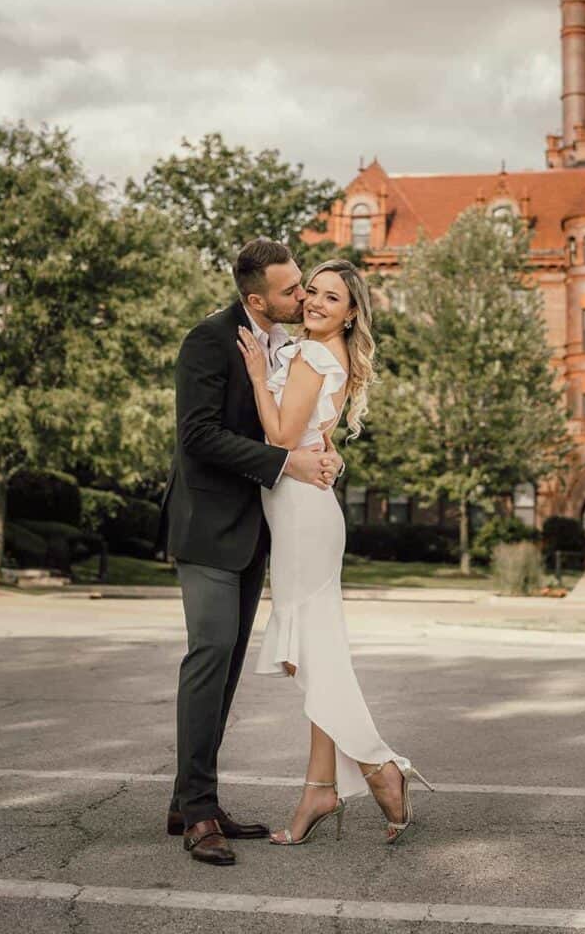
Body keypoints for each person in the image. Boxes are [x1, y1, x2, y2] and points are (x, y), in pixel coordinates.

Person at [160, 237, 344, 866]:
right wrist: (285, 462)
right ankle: (200, 814)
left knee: (228, 668)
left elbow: (291, 417)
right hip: (208, 524)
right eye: (292, 289)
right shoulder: (209, 340)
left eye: (304, 284)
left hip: (256, 529)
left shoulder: (285, 345)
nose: (303, 295)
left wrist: (321, 447)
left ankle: (191, 800)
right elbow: (199, 436)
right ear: (255, 297)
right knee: (209, 657)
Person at [237, 257, 433, 847]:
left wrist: (253, 376)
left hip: (302, 514)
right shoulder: (327, 356)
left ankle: (378, 767)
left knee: (311, 654)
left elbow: (277, 437)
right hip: (305, 510)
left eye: (332, 298)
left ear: (351, 315)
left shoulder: (310, 355)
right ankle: (320, 786)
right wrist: (326, 450)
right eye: (313, 292)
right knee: (316, 652)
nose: (317, 302)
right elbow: (315, 437)